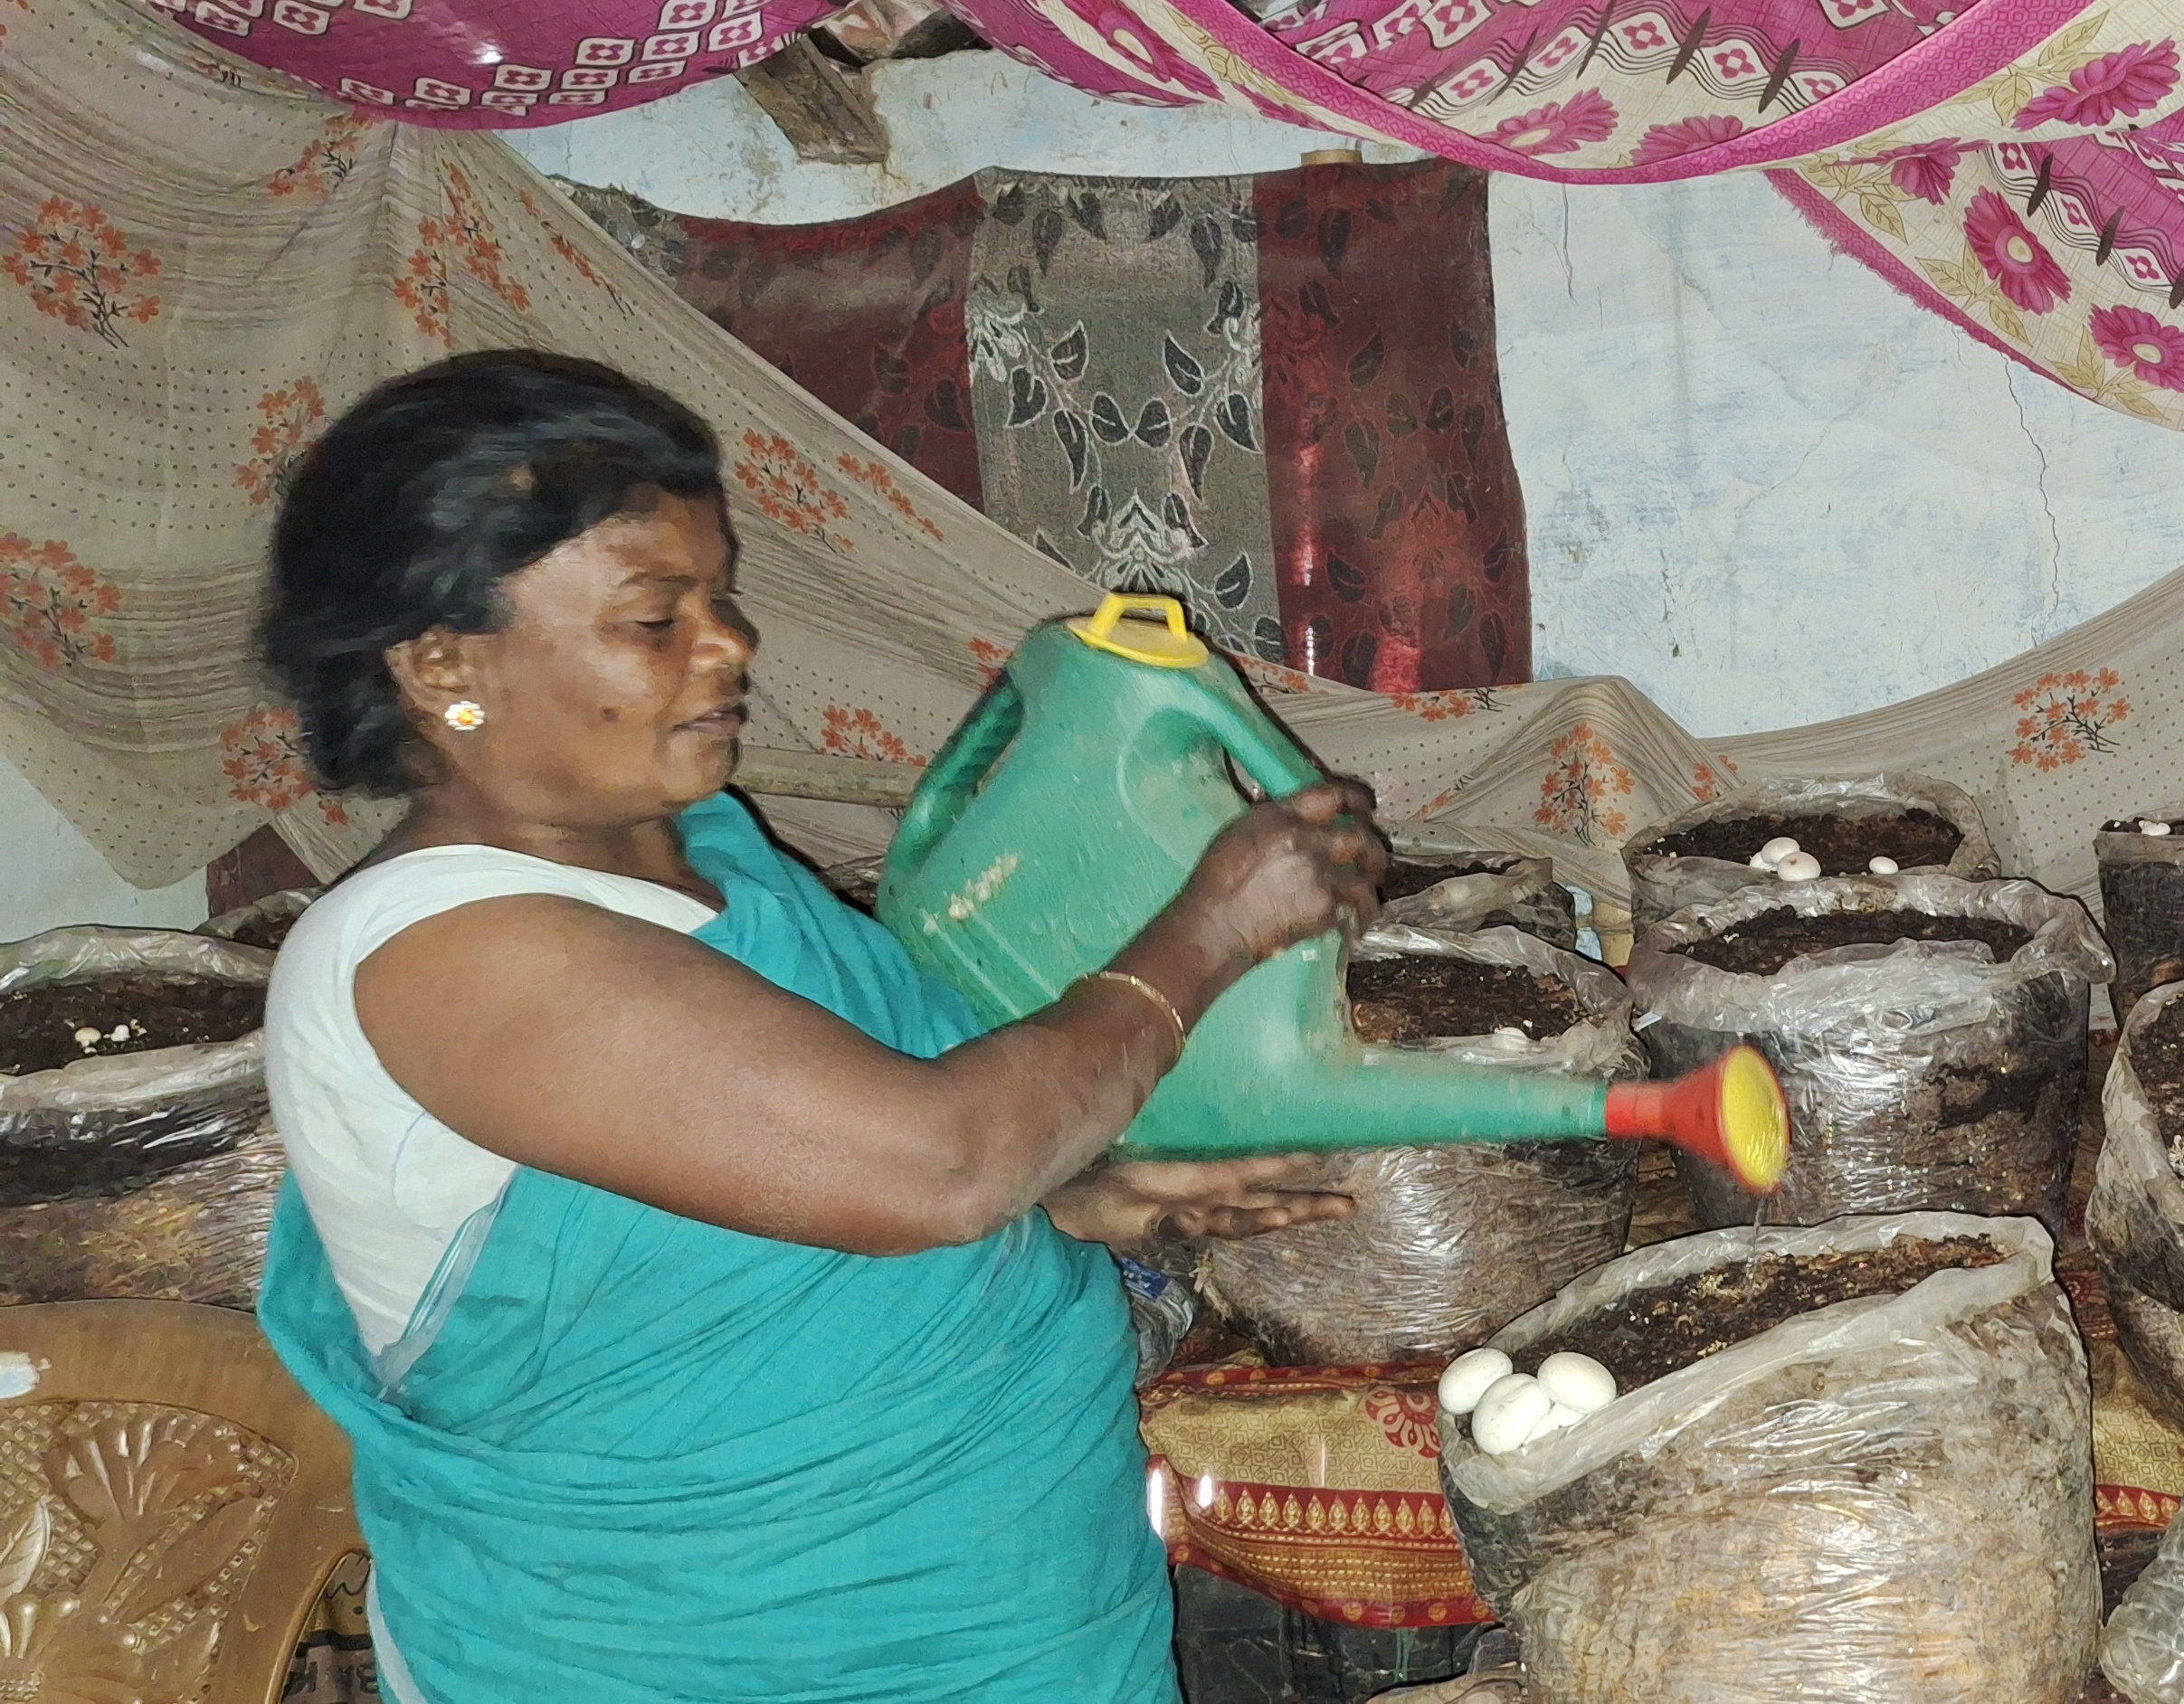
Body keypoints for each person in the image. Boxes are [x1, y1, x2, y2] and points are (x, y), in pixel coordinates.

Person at [251, 349, 1383, 1702]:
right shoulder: (449, 952)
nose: (730, 647)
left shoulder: (705, 861)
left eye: (719, 599)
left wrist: (1071, 1194)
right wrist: (1209, 930)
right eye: (654, 620)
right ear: (445, 667)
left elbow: (765, 1190)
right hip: (709, 1649)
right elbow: (937, 1165)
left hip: (1007, 1617)